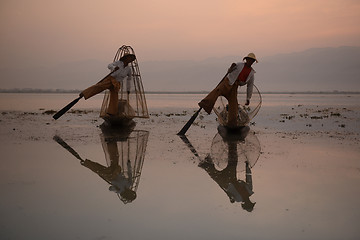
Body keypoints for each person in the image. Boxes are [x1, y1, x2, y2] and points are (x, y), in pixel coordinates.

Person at [198, 53, 258, 128]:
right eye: (249, 60)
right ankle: (205, 104)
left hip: (234, 87)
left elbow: (250, 86)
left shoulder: (251, 73)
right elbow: (231, 68)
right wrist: (231, 68)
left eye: (252, 60)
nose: (251, 62)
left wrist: (248, 98)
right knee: (217, 91)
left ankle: (232, 124)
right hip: (227, 82)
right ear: (246, 60)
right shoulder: (239, 65)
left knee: (234, 105)